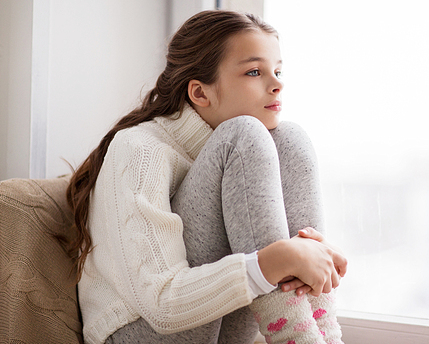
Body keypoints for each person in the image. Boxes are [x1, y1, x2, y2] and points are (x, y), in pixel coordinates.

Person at [67, 10, 347, 344]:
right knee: (243, 136)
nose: (277, 84)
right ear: (200, 93)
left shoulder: (237, 152)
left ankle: (324, 336)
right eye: (255, 72)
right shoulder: (140, 150)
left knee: (290, 138)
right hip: (141, 331)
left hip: (217, 327)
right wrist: (271, 262)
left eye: (278, 70)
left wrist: (311, 257)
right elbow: (162, 306)